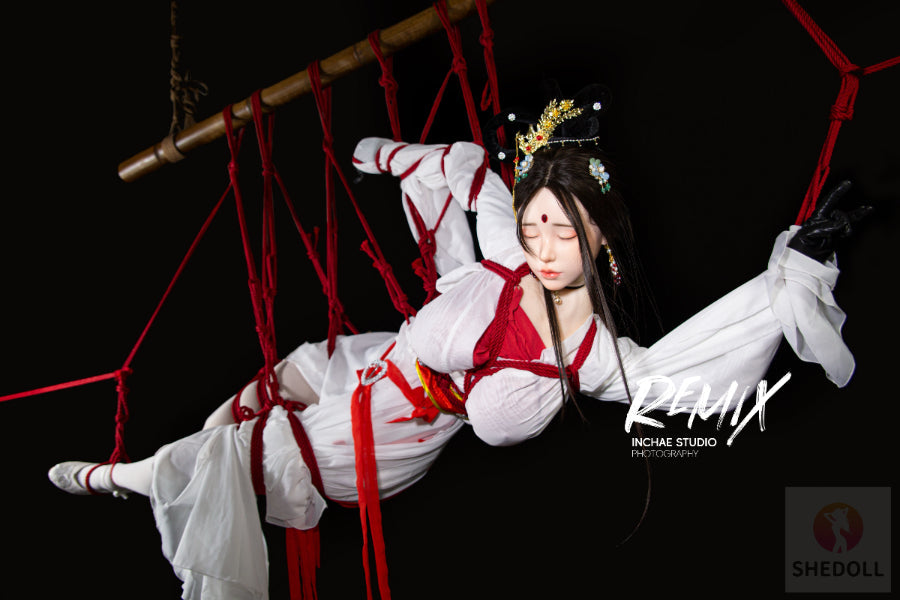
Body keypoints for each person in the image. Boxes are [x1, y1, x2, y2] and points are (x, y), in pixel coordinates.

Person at [47, 92, 865, 599]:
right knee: (288, 371)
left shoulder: (591, 354)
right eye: (538, 224)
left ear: (601, 243)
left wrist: (790, 278)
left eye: (568, 234)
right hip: (381, 362)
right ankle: (171, 458)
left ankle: (117, 478)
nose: (546, 248)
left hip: (387, 438)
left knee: (232, 454)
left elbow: (683, 370)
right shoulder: (507, 258)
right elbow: (475, 173)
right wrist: (388, 157)